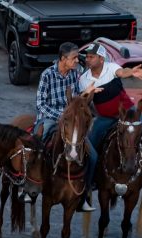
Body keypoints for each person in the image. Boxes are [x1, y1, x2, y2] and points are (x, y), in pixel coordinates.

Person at [79, 43, 142, 184]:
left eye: (91, 57)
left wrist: (131, 72)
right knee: (90, 143)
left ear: (101, 59)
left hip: (129, 113)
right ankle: (89, 179)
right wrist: (86, 93)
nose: (88, 59)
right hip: (105, 118)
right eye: (87, 56)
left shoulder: (111, 67)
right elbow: (82, 102)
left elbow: (122, 72)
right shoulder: (84, 79)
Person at [34, 42, 99, 211]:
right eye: (74, 57)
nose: (78, 60)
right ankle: (29, 186)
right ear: (63, 59)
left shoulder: (74, 74)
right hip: (49, 118)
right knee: (36, 147)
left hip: (70, 120)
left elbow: (76, 99)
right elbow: (40, 104)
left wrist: (84, 99)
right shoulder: (47, 75)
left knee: (92, 156)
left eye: (78, 57)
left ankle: (84, 195)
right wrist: (62, 117)